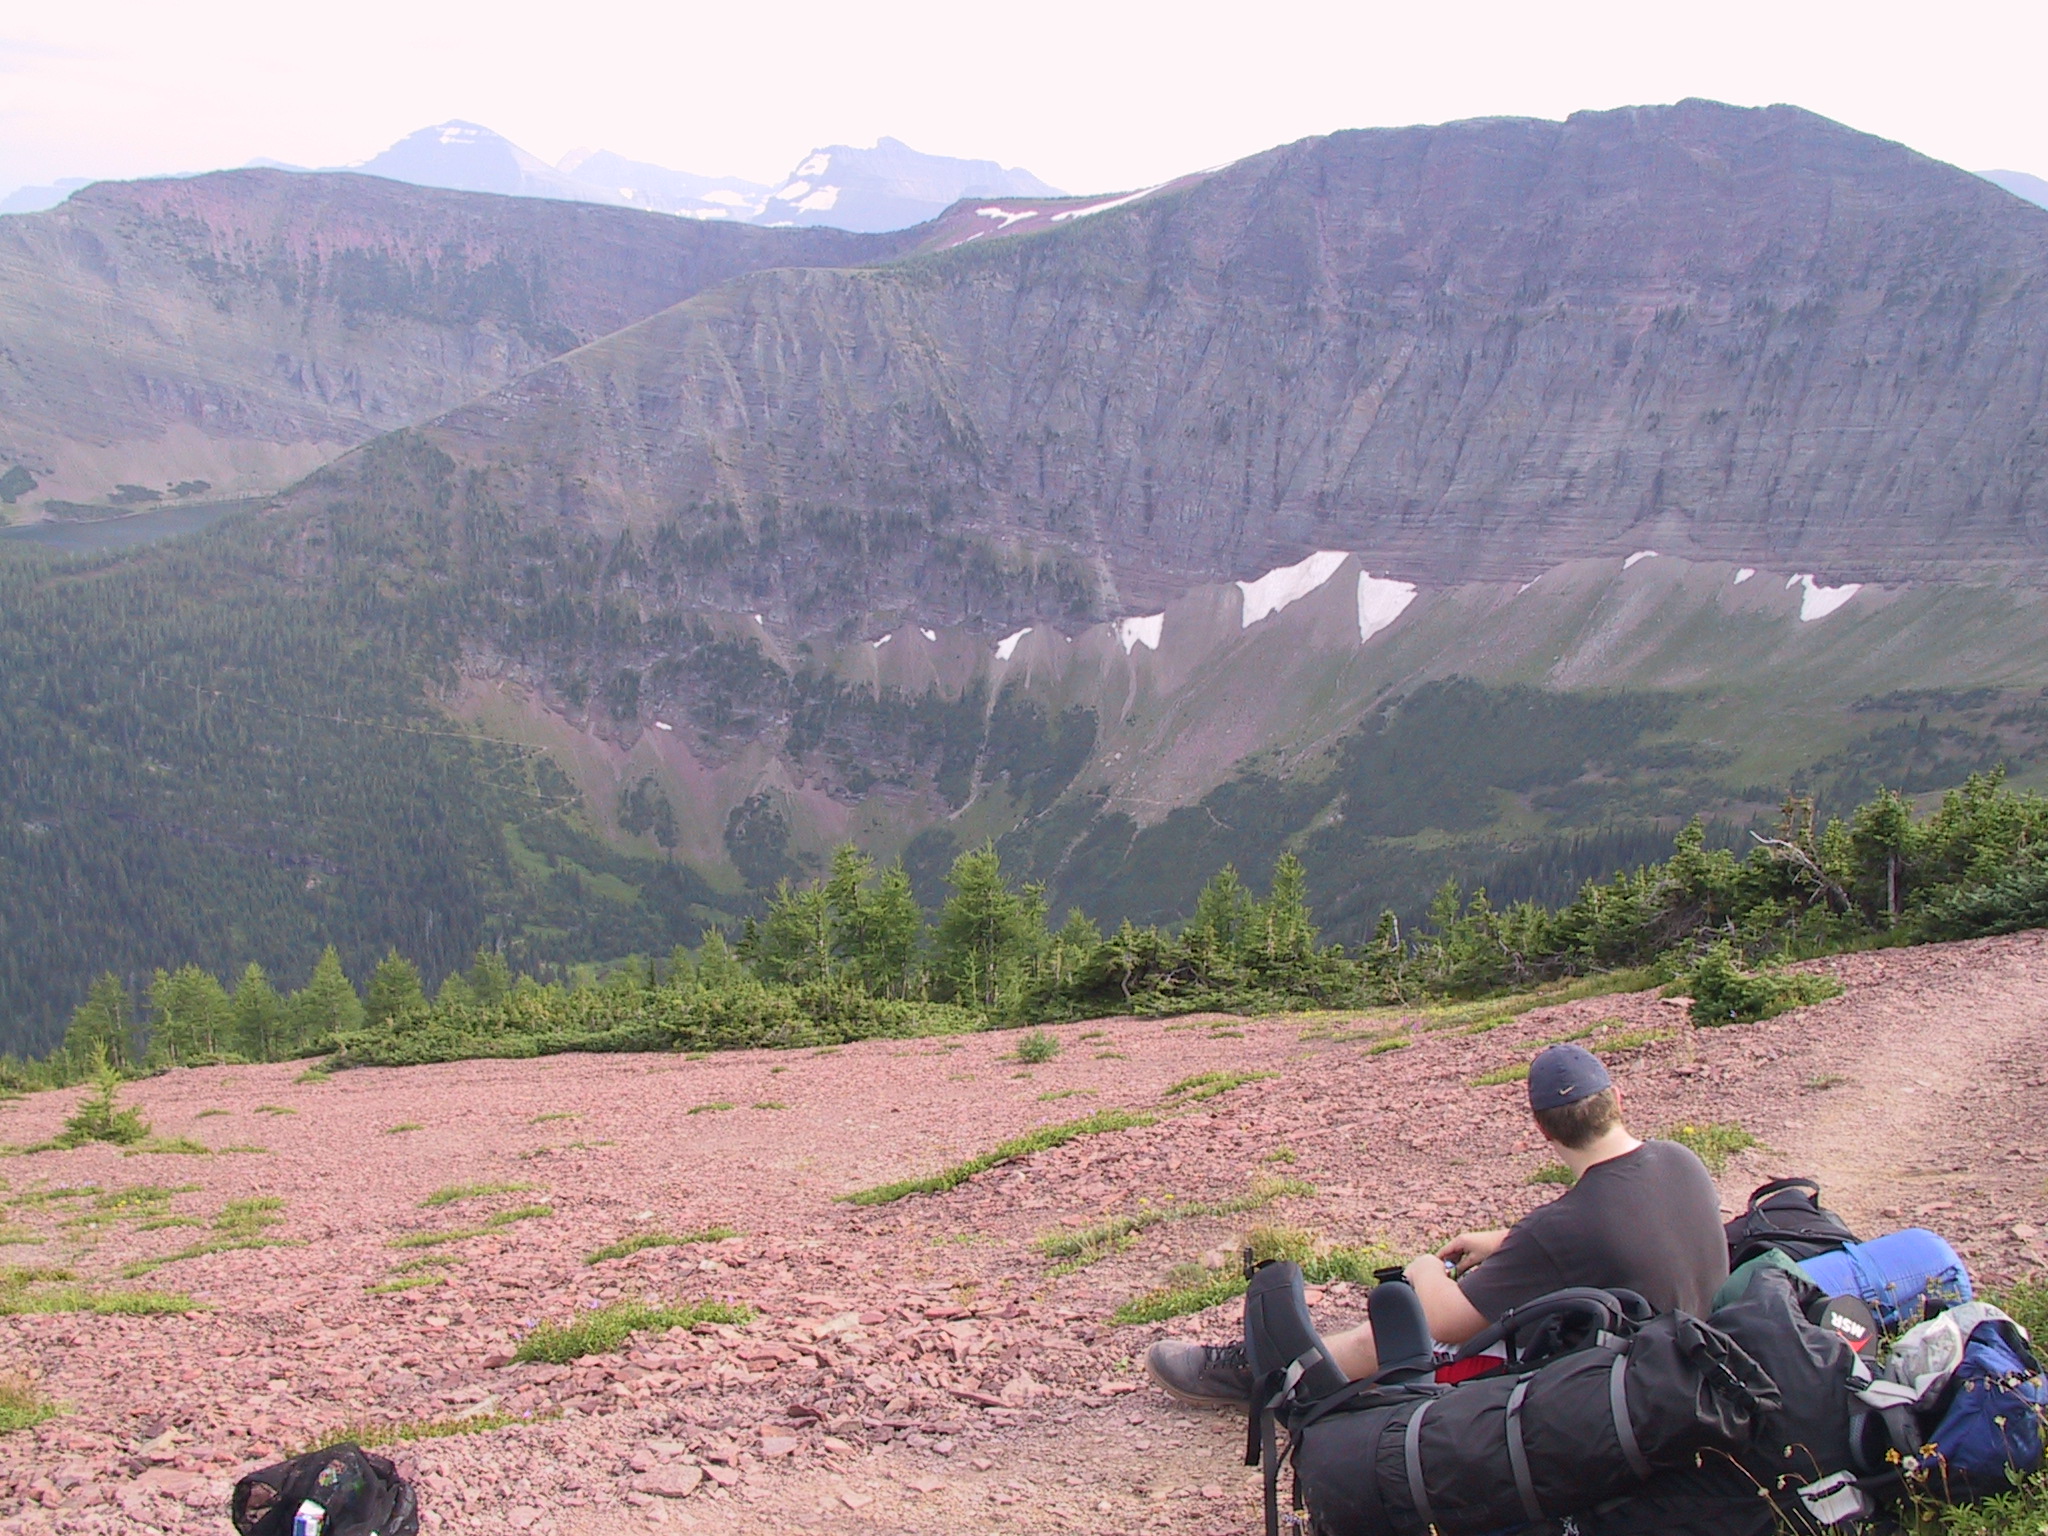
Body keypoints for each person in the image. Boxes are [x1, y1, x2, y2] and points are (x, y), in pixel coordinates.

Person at [1144, 1043, 1730, 1406]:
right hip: (1686, 1351)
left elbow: (1446, 1318)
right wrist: (1505, 1242)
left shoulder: (1564, 1227)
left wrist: (1424, 1269)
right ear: (1618, 1100)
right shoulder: (1679, 1159)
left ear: (1541, 1129)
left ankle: (1265, 1373)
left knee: (1403, 1330)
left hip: (1617, 1381)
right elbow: (1613, 1236)